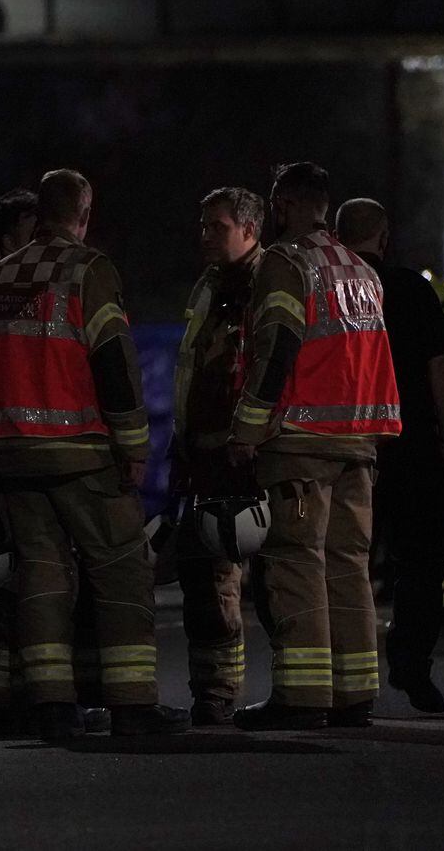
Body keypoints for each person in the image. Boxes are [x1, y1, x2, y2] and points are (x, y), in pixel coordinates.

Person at [0, 168, 189, 744]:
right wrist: (133, 444)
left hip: (9, 456)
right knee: (123, 570)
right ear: (84, 213)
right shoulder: (89, 271)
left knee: (41, 577)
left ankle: (51, 706)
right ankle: (131, 704)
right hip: (81, 452)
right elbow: (112, 359)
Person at [227, 162, 401, 731]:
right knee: (348, 564)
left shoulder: (285, 261)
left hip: (301, 439)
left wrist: (248, 429)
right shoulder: (361, 268)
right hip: (359, 440)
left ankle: (301, 696)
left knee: (296, 561)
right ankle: (355, 692)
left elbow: (276, 348)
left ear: (282, 205)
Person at [336, 198, 444, 713]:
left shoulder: (330, 289)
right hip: (410, 447)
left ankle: (346, 675)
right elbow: (442, 370)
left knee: (345, 563)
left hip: (345, 445)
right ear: (384, 237)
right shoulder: (411, 288)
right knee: (421, 561)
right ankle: (411, 664)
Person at [169, 187, 265, 725]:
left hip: (253, 453)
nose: (205, 235)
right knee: (205, 579)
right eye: (203, 224)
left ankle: (297, 692)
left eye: (218, 226)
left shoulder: (270, 280)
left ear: (250, 230)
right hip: (205, 454)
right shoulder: (210, 284)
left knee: (272, 582)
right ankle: (215, 690)